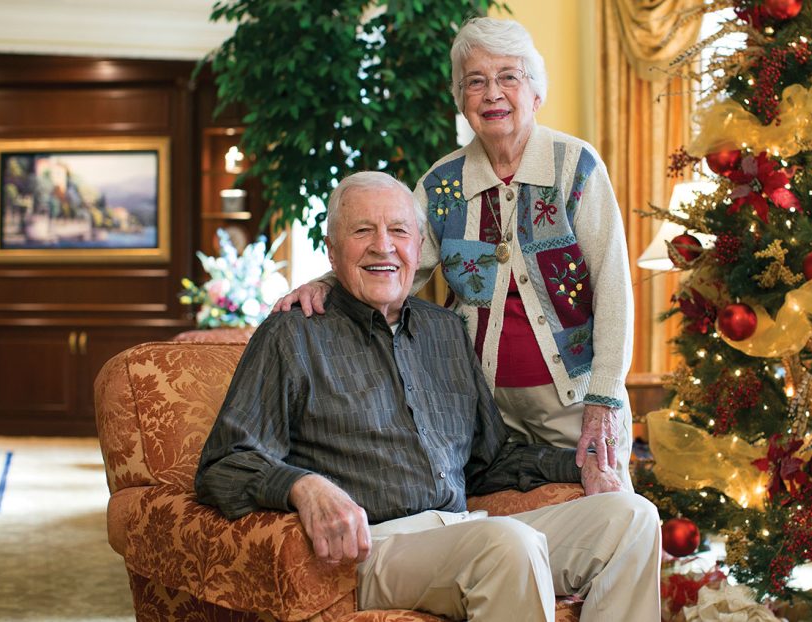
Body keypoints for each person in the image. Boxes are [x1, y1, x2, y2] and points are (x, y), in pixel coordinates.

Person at [195, 172, 661, 621]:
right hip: (376, 548)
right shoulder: (292, 335)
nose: (384, 246)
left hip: (466, 530)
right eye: (363, 231)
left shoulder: (444, 331)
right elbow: (224, 464)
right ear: (332, 252)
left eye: (398, 230)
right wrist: (303, 486)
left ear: (418, 249)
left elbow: (488, 461)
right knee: (507, 545)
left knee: (632, 518)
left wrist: (580, 465)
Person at [275, 17, 636, 488]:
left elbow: (612, 282)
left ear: (536, 92)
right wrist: (323, 284)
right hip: (480, 407)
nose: (492, 94)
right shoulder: (442, 184)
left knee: (603, 516)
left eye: (508, 76)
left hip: (574, 400)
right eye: (475, 82)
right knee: (505, 537)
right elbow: (397, 260)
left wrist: (605, 399)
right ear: (460, 100)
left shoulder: (575, 167)